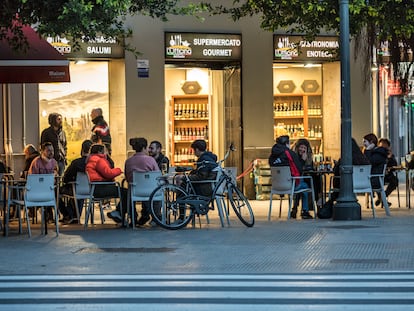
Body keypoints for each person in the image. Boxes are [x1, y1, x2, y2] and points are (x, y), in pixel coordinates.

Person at [269, 135, 313, 219]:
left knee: (301, 183)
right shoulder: (290, 154)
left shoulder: (272, 156)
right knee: (305, 185)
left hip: (276, 186)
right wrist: (303, 161)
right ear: (287, 143)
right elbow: (299, 170)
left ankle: (294, 209)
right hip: (290, 185)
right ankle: (305, 211)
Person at [86, 144, 127, 224]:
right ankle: (120, 213)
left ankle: (120, 214)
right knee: (127, 193)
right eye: (105, 151)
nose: (106, 153)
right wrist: (118, 170)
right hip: (101, 188)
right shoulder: (99, 160)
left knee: (125, 192)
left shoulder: (90, 159)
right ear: (100, 152)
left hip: (94, 188)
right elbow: (108, 173)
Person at [125, 137, 160, 226]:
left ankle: (134, 217)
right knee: (159, 189)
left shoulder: (128, 161)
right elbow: (157, 175)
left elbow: (127, 177)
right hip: (151, 192)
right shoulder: (151, 160)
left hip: (135, 191)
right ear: (144, 147)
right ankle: (157, 217)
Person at [59, 140, 93, 224]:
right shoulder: (95, 163)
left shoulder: (76, 163)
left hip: (75, 189)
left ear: (82, 150)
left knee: (56, 191)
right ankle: (74, 215)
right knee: (77, 192)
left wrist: (67, 181)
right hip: (92, 189)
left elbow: (66, 178)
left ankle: (68, 214)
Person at [328, 138, 370, 204]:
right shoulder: (363, 159)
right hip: (363, 184)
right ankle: (330, 202)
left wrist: (337, 165)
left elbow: (336, 171)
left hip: (346, 184)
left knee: (337, 179)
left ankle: (330, 202)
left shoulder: (345, 159)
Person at [292, 138, 322, 208]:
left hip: (305, 177)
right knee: (313, 182)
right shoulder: (294, 156)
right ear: (297, 147)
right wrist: (302, 160)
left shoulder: (308, 157)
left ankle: (318, 201)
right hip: (297, 179)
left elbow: (310, 167)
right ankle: (317, 202)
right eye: (301, 147)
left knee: (317, 178)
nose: (302, 150)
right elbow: (298, 170)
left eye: (304, 148)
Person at [376, 138, 398, 206]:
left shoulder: (389, 154)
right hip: (378, 174)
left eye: (385, 144)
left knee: (395, 181)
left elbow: (394, 166)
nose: (383, 146)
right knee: (376, 182)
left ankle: (383, 196)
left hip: (388, 175)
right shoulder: (376, 154)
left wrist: (390, 158)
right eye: (382, 144)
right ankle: (381, 198)